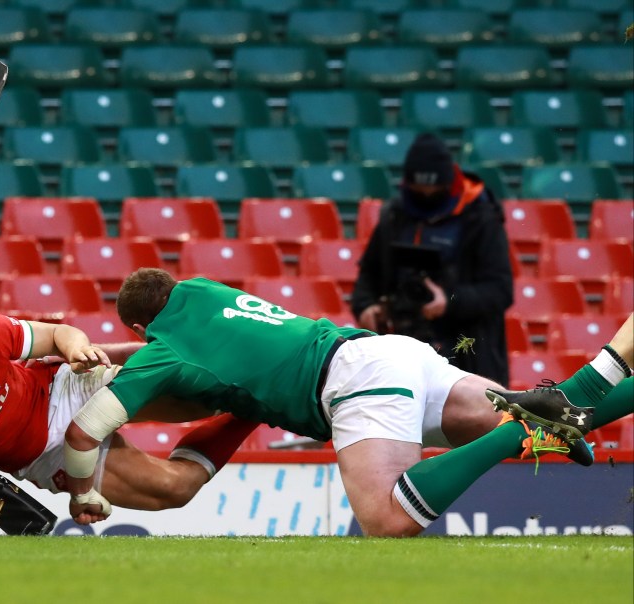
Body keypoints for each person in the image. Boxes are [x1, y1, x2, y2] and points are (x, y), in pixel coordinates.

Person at [61, 269, 634, 536]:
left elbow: (89, 430)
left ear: (142, 328)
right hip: (391, 353)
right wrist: (90, 348)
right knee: (485, 418)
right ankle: (561, 404)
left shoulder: (161, 355)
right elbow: (172, 344)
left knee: (386, 519)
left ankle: (533, 426)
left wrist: (83, 491)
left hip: (353, 384)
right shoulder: (201, 293)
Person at [0, 307, 258, 536]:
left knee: (196, 400)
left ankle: (265, 387)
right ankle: (253, 415)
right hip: (43, 458)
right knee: (174, 489)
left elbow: (59, 334)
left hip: (62, 391)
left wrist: (77, 349)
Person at [351, 132, 514, 386]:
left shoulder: (481, 218)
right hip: (399, 353)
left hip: (467, 357)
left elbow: (500, 291)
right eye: (419, 192)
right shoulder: (394, 215)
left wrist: (448, 301)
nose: (426, 197)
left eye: (433, 192)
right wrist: (366, 307)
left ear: (449, 184)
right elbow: (369, 274)